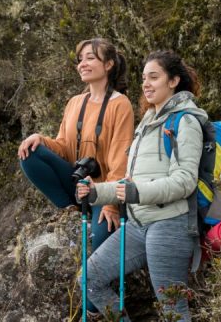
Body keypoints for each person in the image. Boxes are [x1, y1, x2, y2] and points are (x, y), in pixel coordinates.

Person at [76, 49, 204, 322]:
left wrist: (137, 192)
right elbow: (127, 183)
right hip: (138, 223)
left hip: (171, 225)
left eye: (154, 77)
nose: (146, 84)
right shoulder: (146, 123)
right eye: (144, 77)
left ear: (174, 81)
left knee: (173, 309)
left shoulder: (186, 121)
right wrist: (95, 193)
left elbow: (185, 181)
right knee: (90, 277)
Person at [17, 38, 134, 248]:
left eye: (90, 58)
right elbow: (63, 146)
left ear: (108, 64)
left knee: (100, 240)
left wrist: (111, 205)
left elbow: (121, 160)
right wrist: (40, 139)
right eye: (80, 60)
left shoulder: (120, 104)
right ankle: (70, 211)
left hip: (102, 190)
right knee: (31, 154)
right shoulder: (74, 102)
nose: (82, 64)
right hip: (76, 183)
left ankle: (94, 213)